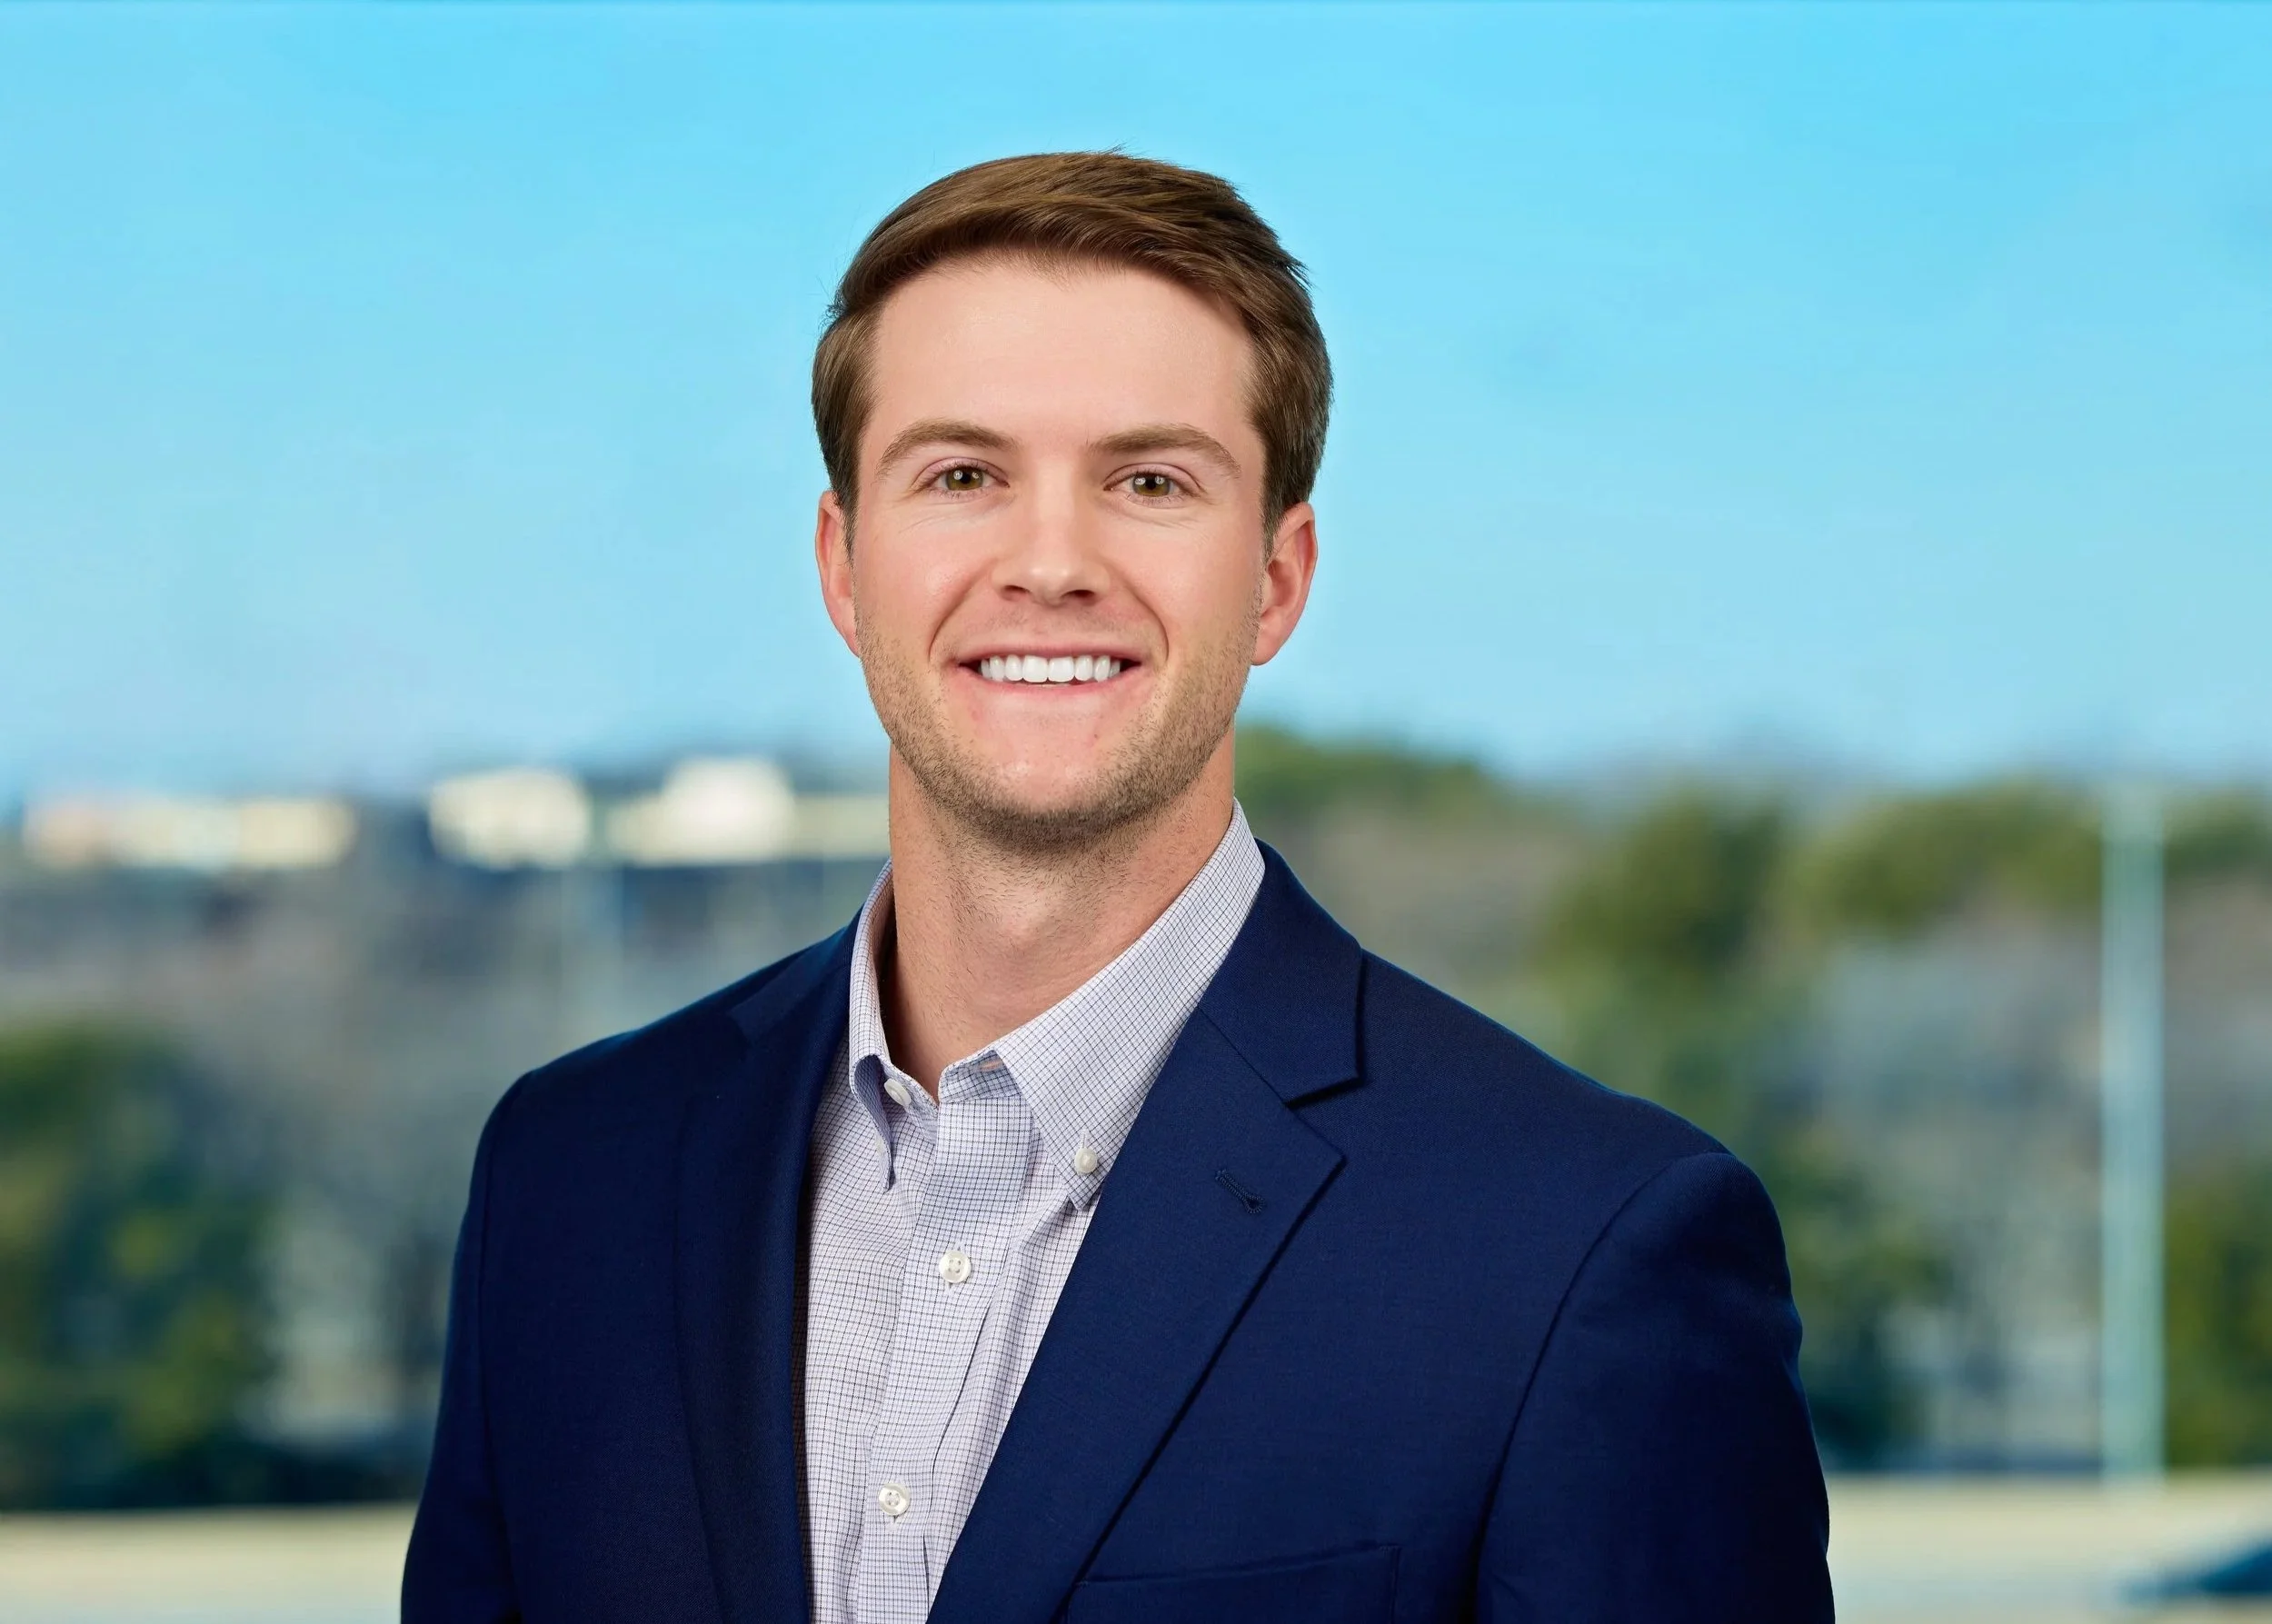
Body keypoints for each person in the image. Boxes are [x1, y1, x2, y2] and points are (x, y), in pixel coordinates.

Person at [403, 151, 1832, 1624]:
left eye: (1148, 480)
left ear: (1277, 578)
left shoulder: (1581, 1248)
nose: (1051, 562)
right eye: (963, 475)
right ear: (844, 564)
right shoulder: (572, 1181)